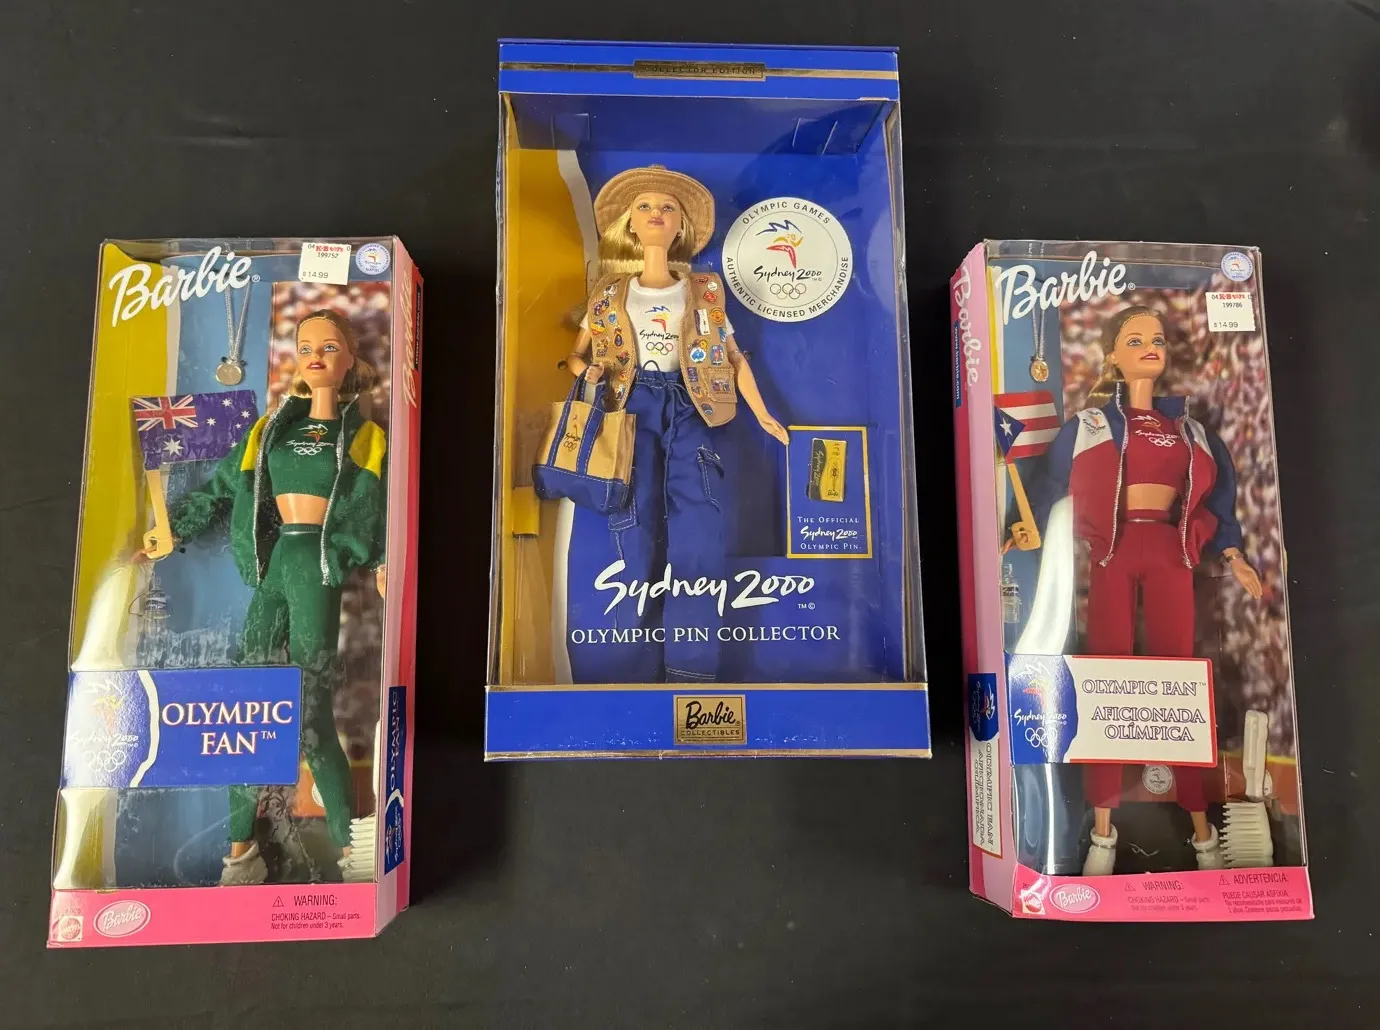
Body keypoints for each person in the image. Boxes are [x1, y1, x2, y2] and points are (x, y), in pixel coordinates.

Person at [1011, 304, 1262, 875]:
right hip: (1113, 551)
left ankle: (1202, 833)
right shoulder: (1091, 425)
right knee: (1105, 674)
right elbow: (1049, 484)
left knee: (1181, 681)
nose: (1151, 347)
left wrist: (1234, 554)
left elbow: (1220, 500)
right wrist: (1022, 527)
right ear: (1112, 355)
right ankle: (1102, 832)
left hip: (1172, 552)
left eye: (1158, 340)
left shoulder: (1191, 430)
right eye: (1135, 339)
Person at [142, 309, 387, 885]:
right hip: (275, 565)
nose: (317, 356)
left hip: (316, 566)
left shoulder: (364, 435)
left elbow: (372, 506)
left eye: (330, 346)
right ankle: (240, 850)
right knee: (247, 702)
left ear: (350, 359)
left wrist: (378, 560)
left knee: (311, 706)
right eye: (306, 346)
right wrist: (170, 529)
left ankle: (352, 847)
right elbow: (225, 486)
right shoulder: (269, 429)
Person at [562, 165, 787, 683]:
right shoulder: (608, 293)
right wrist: (586, 372)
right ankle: (624, 672)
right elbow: (575, 355)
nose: (656, 214)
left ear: (681, 225)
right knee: (630, 529)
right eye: (644, 207)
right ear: (629, 224)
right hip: (627, 407)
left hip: (693, 405)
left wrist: (762, 412)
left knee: (698, 531)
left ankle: (692, 669)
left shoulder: (704, 291)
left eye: (667, 208)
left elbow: (733, 357)